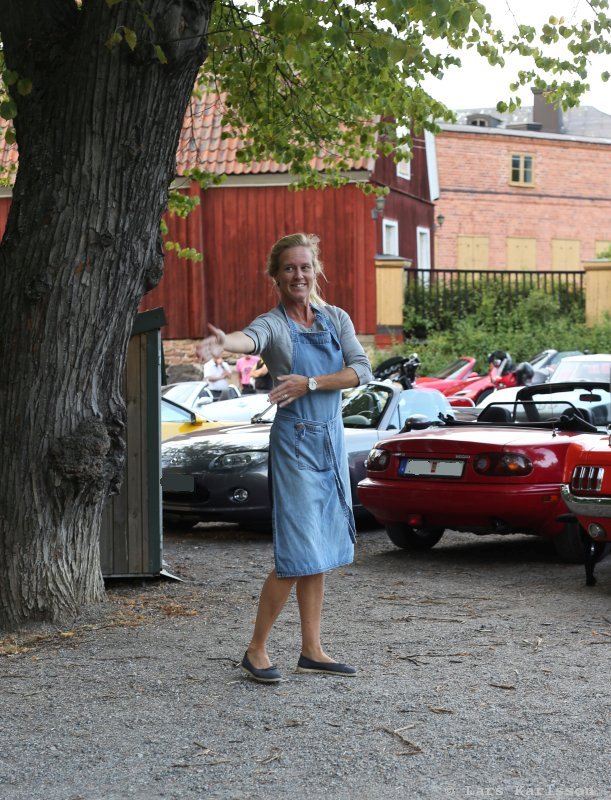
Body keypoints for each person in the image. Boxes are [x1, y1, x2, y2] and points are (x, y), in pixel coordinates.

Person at [197, 233, 373, 684]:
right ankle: (256, 650)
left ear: (316, 271)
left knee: (321, 550)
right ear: (275, 276)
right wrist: (223, 345)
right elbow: (249, 339)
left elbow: (361, 370)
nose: (298, 275)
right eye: (289, 268)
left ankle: (312, 649)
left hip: (330, 442)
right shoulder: (273, 324)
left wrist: (310, 383)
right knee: (297, 551)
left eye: (305, 267)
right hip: (294, 446)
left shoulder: (336, 319)